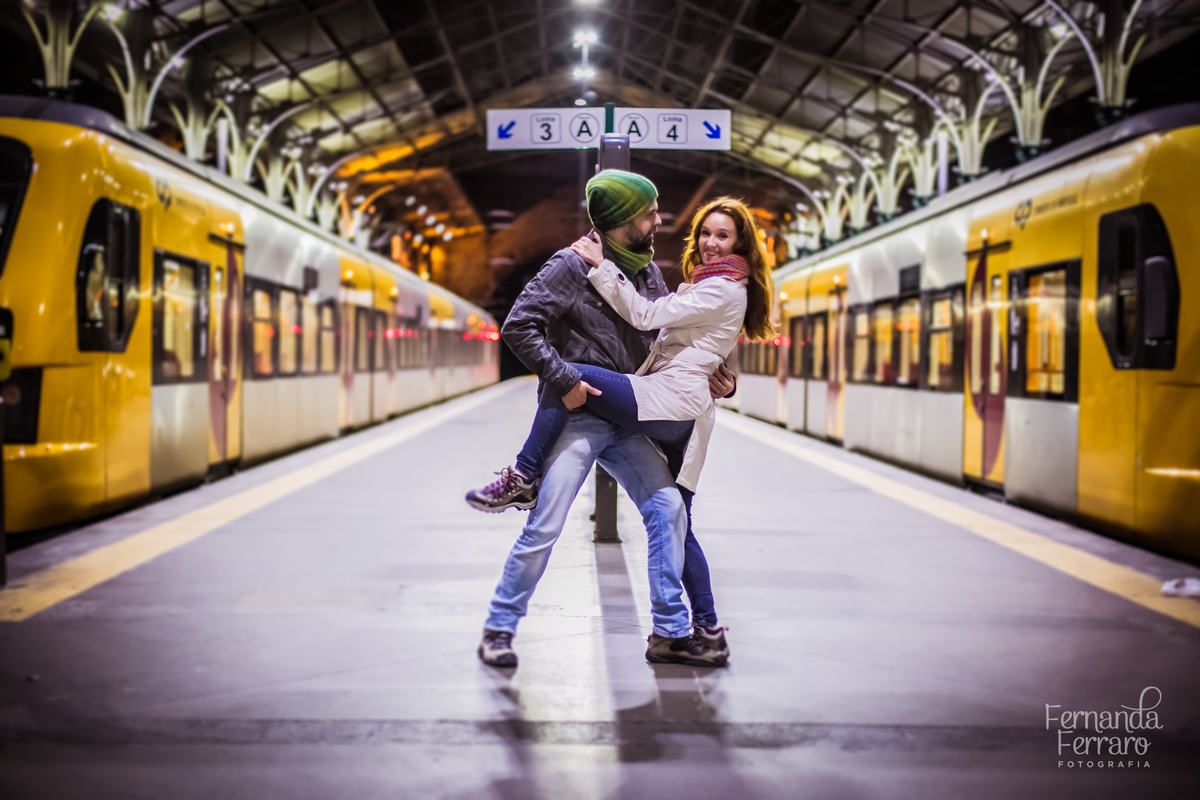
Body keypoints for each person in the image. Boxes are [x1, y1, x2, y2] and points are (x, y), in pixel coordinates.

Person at [475, 170, 737, 670]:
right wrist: (565, 381)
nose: (658, 219)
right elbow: (519, 326)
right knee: (545, 525)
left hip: (632, 413)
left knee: (668, 513)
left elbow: (665, 338)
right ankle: (500, 628)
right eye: (648, 213)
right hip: (581, 416)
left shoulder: (647, 272)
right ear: (620, 220)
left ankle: (670, 633)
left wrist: (716, 374)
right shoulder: (570, 265)